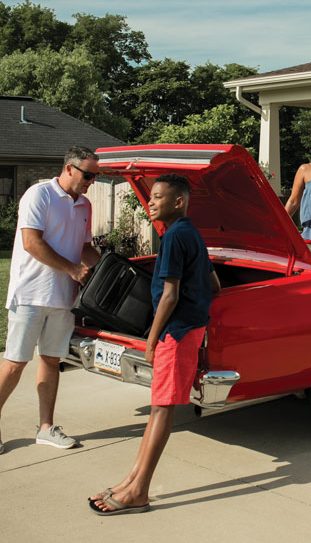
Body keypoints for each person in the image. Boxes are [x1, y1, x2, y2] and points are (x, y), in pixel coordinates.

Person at [89, 173, 221, 516]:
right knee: (157, 409)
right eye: (151, 197)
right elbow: (215, 284)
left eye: (158, 197)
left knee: (162, 410)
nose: (151, 202)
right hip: (186, 330)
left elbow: (170, 294)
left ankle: (139, 491)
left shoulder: (175, 237)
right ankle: (130, 481)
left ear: (178, 202)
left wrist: (151, 339)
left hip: (175, 334)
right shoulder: (189, 233)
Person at [0, 146, 101, 455]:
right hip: (30, 293)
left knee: (51, 361)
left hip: (64, 297)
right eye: (88, 175)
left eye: (96, 176)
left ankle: (46, 428)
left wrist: (105, 260)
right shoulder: (38, 195)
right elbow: (32, 243)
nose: (92, 182)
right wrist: (71, 268)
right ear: (69, 169)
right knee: (16, 362)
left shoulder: (84, 205)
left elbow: (84, 248)